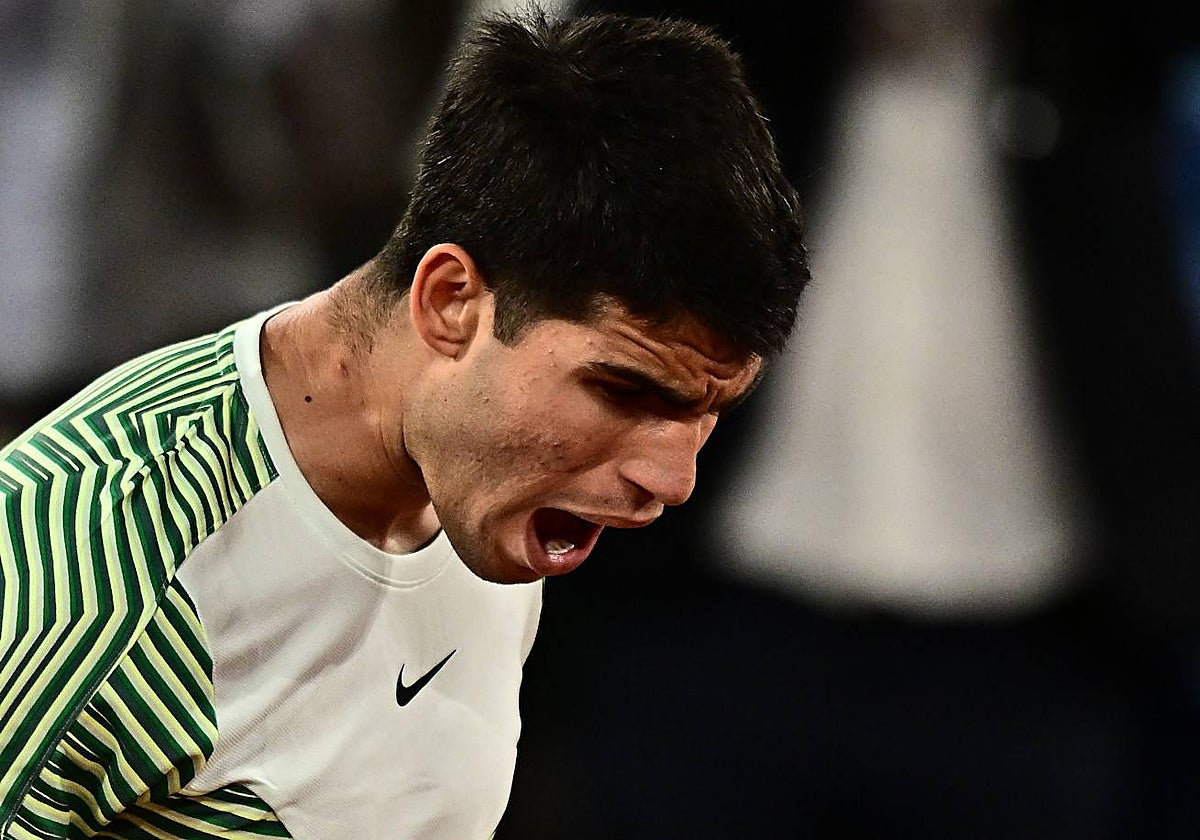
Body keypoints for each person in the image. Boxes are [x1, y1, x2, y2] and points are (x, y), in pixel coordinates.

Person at [0, 7, 809, 838]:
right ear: (451, 303)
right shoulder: (86, 568)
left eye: (710, 409)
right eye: (623, 390)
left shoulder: (483, 482)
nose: (672, 481)